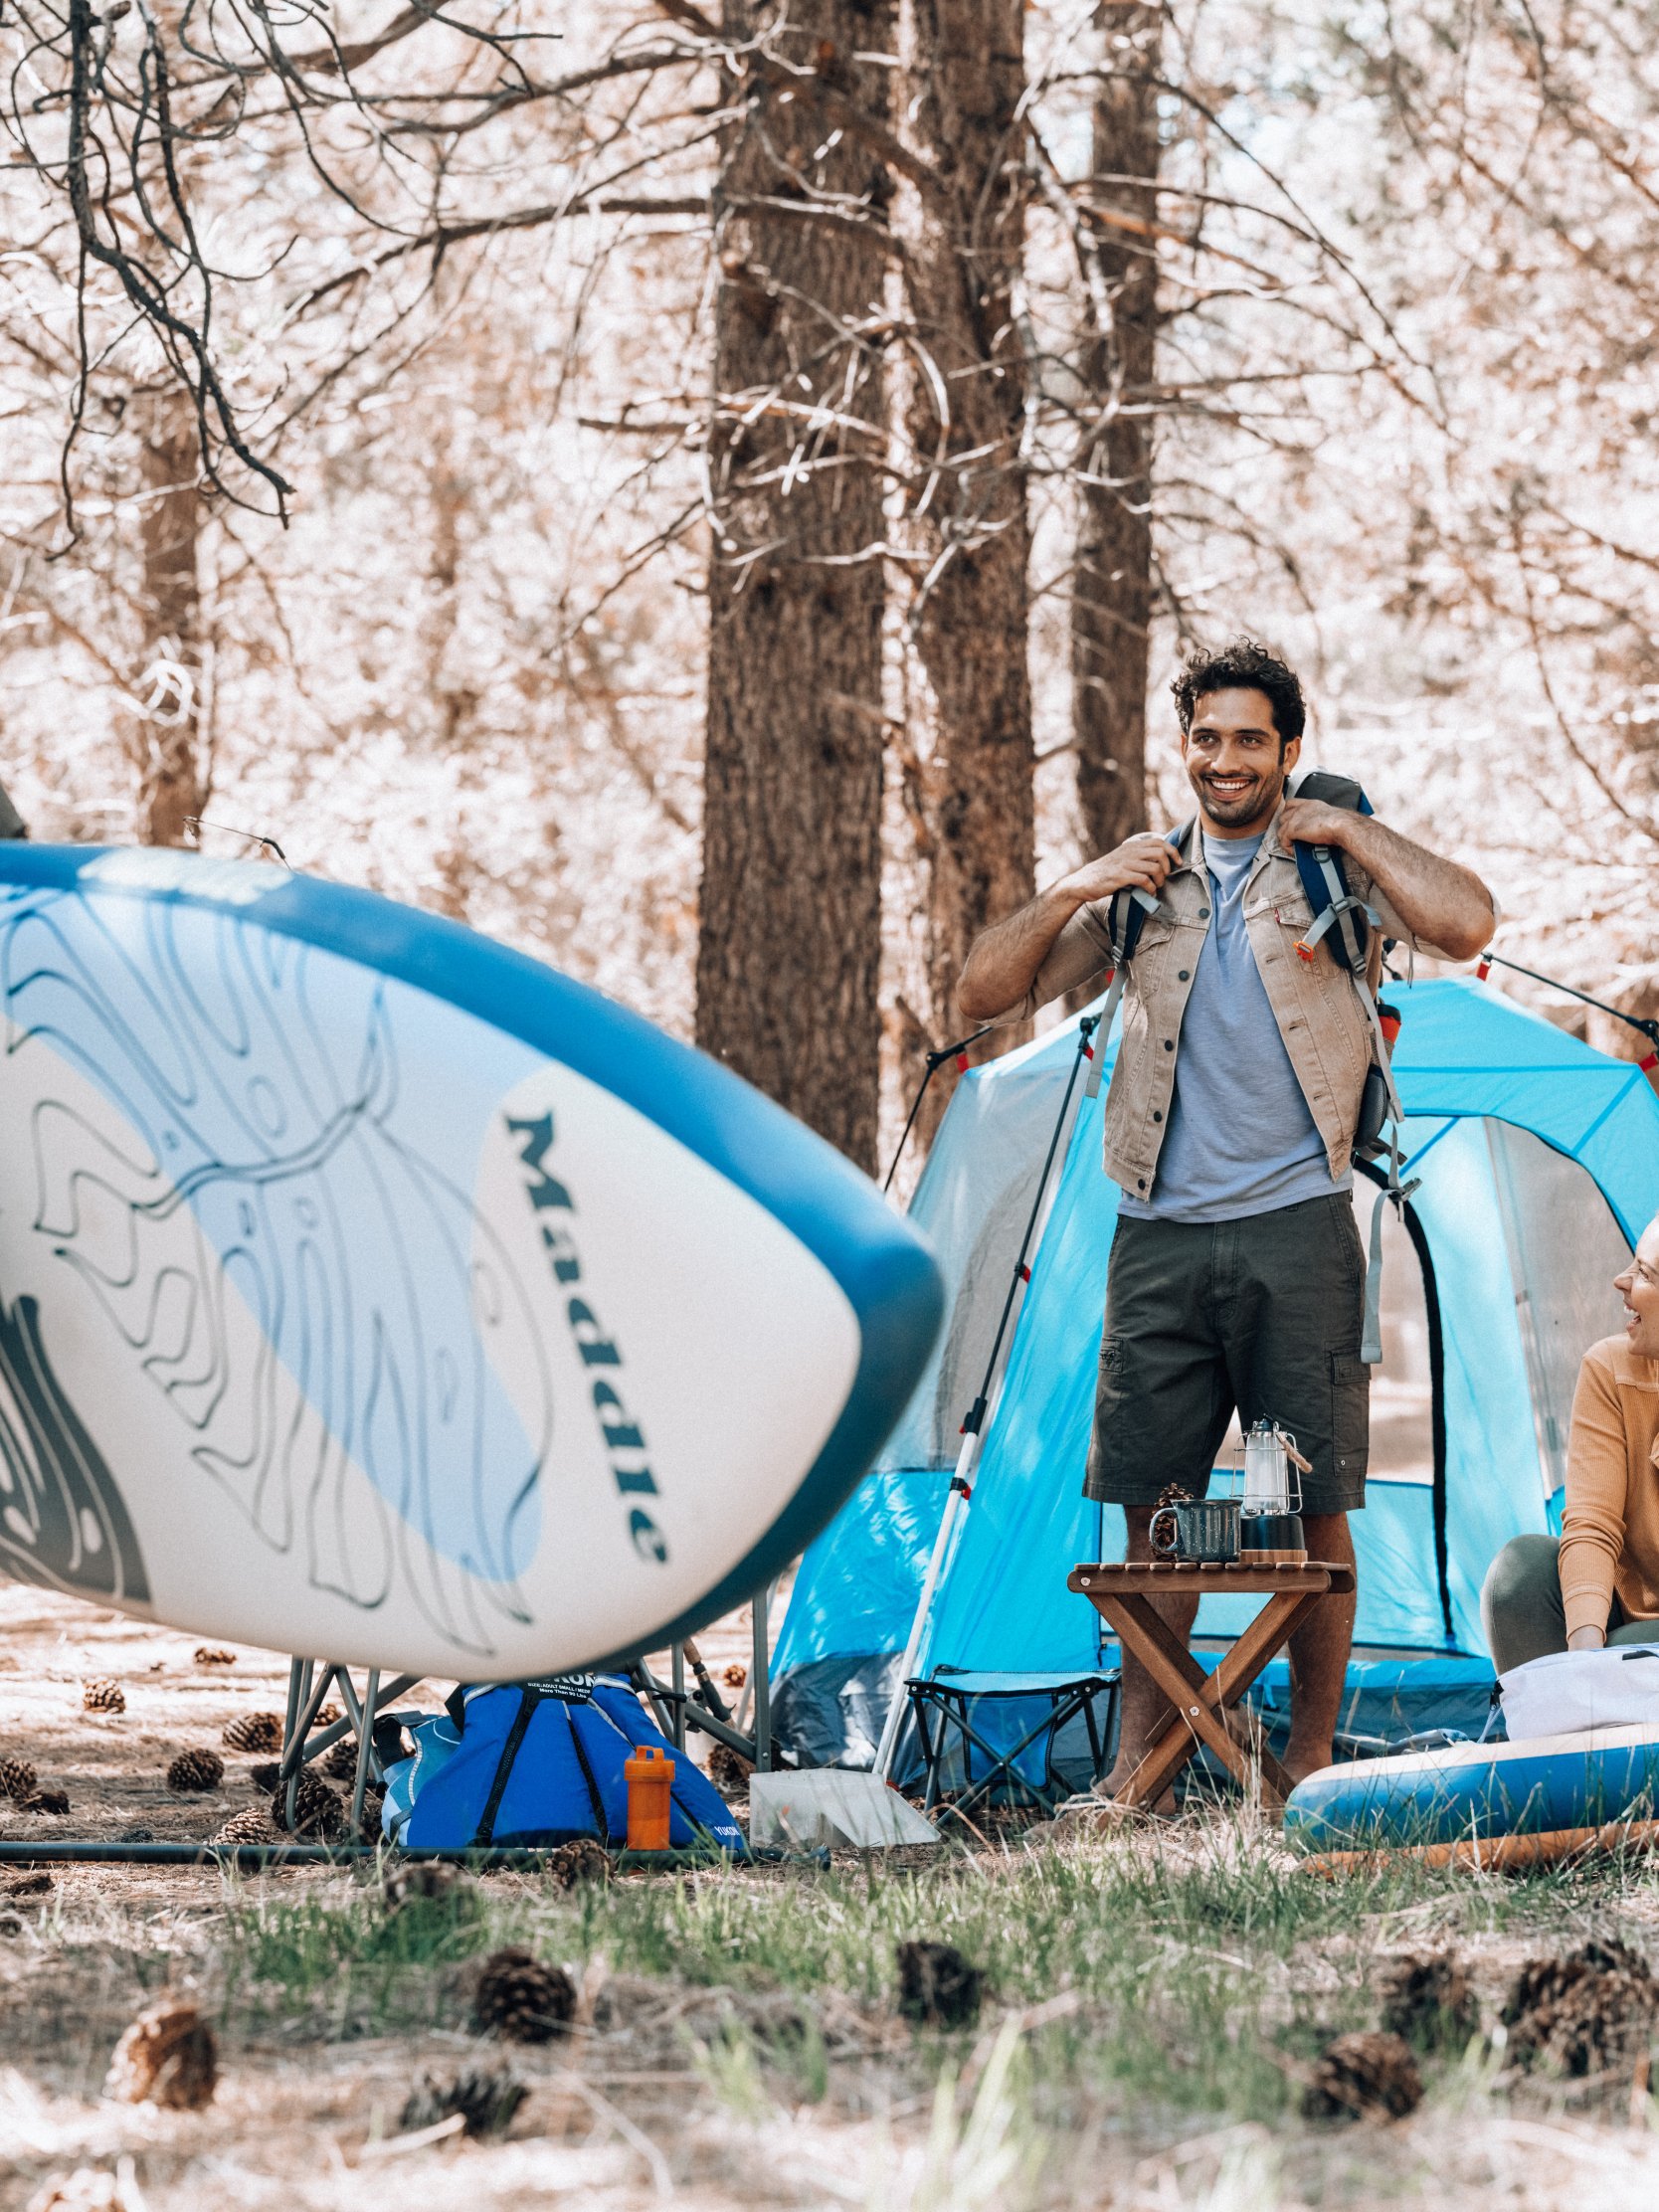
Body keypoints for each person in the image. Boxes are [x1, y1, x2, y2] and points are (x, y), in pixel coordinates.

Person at [957, 639, 1496, 1795]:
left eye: (1251, 738)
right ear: (1185, 747)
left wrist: (1346, 829)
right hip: (1156, 1233)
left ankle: (1306, 1768)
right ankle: (1141, 1770)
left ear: (1288, 749)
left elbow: (1466, 924)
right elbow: (980, 995)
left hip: (1300, 1228)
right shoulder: (1142, 888)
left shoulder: (1333, 872)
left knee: (1310, 1509)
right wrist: (1078, 883)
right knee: (1156, 1515)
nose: (1226, 759)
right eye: (1207, 738)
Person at [1482, 1213, 1659, 1670]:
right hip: (1628, 1617)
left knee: (1634, 1644)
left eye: (1645, 1274)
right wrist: (1584, 1663)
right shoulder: (1610, 1368)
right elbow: (1591, 1523)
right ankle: (1563, 1712)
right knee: (1520, 1574)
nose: (1621, 1281)